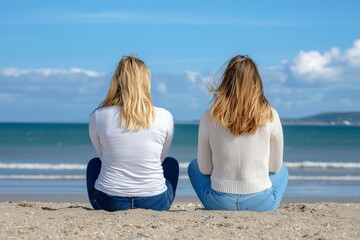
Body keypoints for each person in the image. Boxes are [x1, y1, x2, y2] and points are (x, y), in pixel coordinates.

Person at [188, 55, 288, 212]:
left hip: (220, 203)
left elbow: (205, 169)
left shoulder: (209, 116)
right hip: (261, 204)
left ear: (226, 82)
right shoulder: (270, 115)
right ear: (256, 83)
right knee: (284, 170)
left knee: (193, 166)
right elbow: (275, 167)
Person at [87, 55, 179, 212]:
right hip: (154, 202)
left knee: (94, 163)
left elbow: (103, 157)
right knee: (170, 163)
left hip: (109, 202)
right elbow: (160, 158)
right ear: (146, 82)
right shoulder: (165, 116)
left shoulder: (98, 115)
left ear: (117, 81)